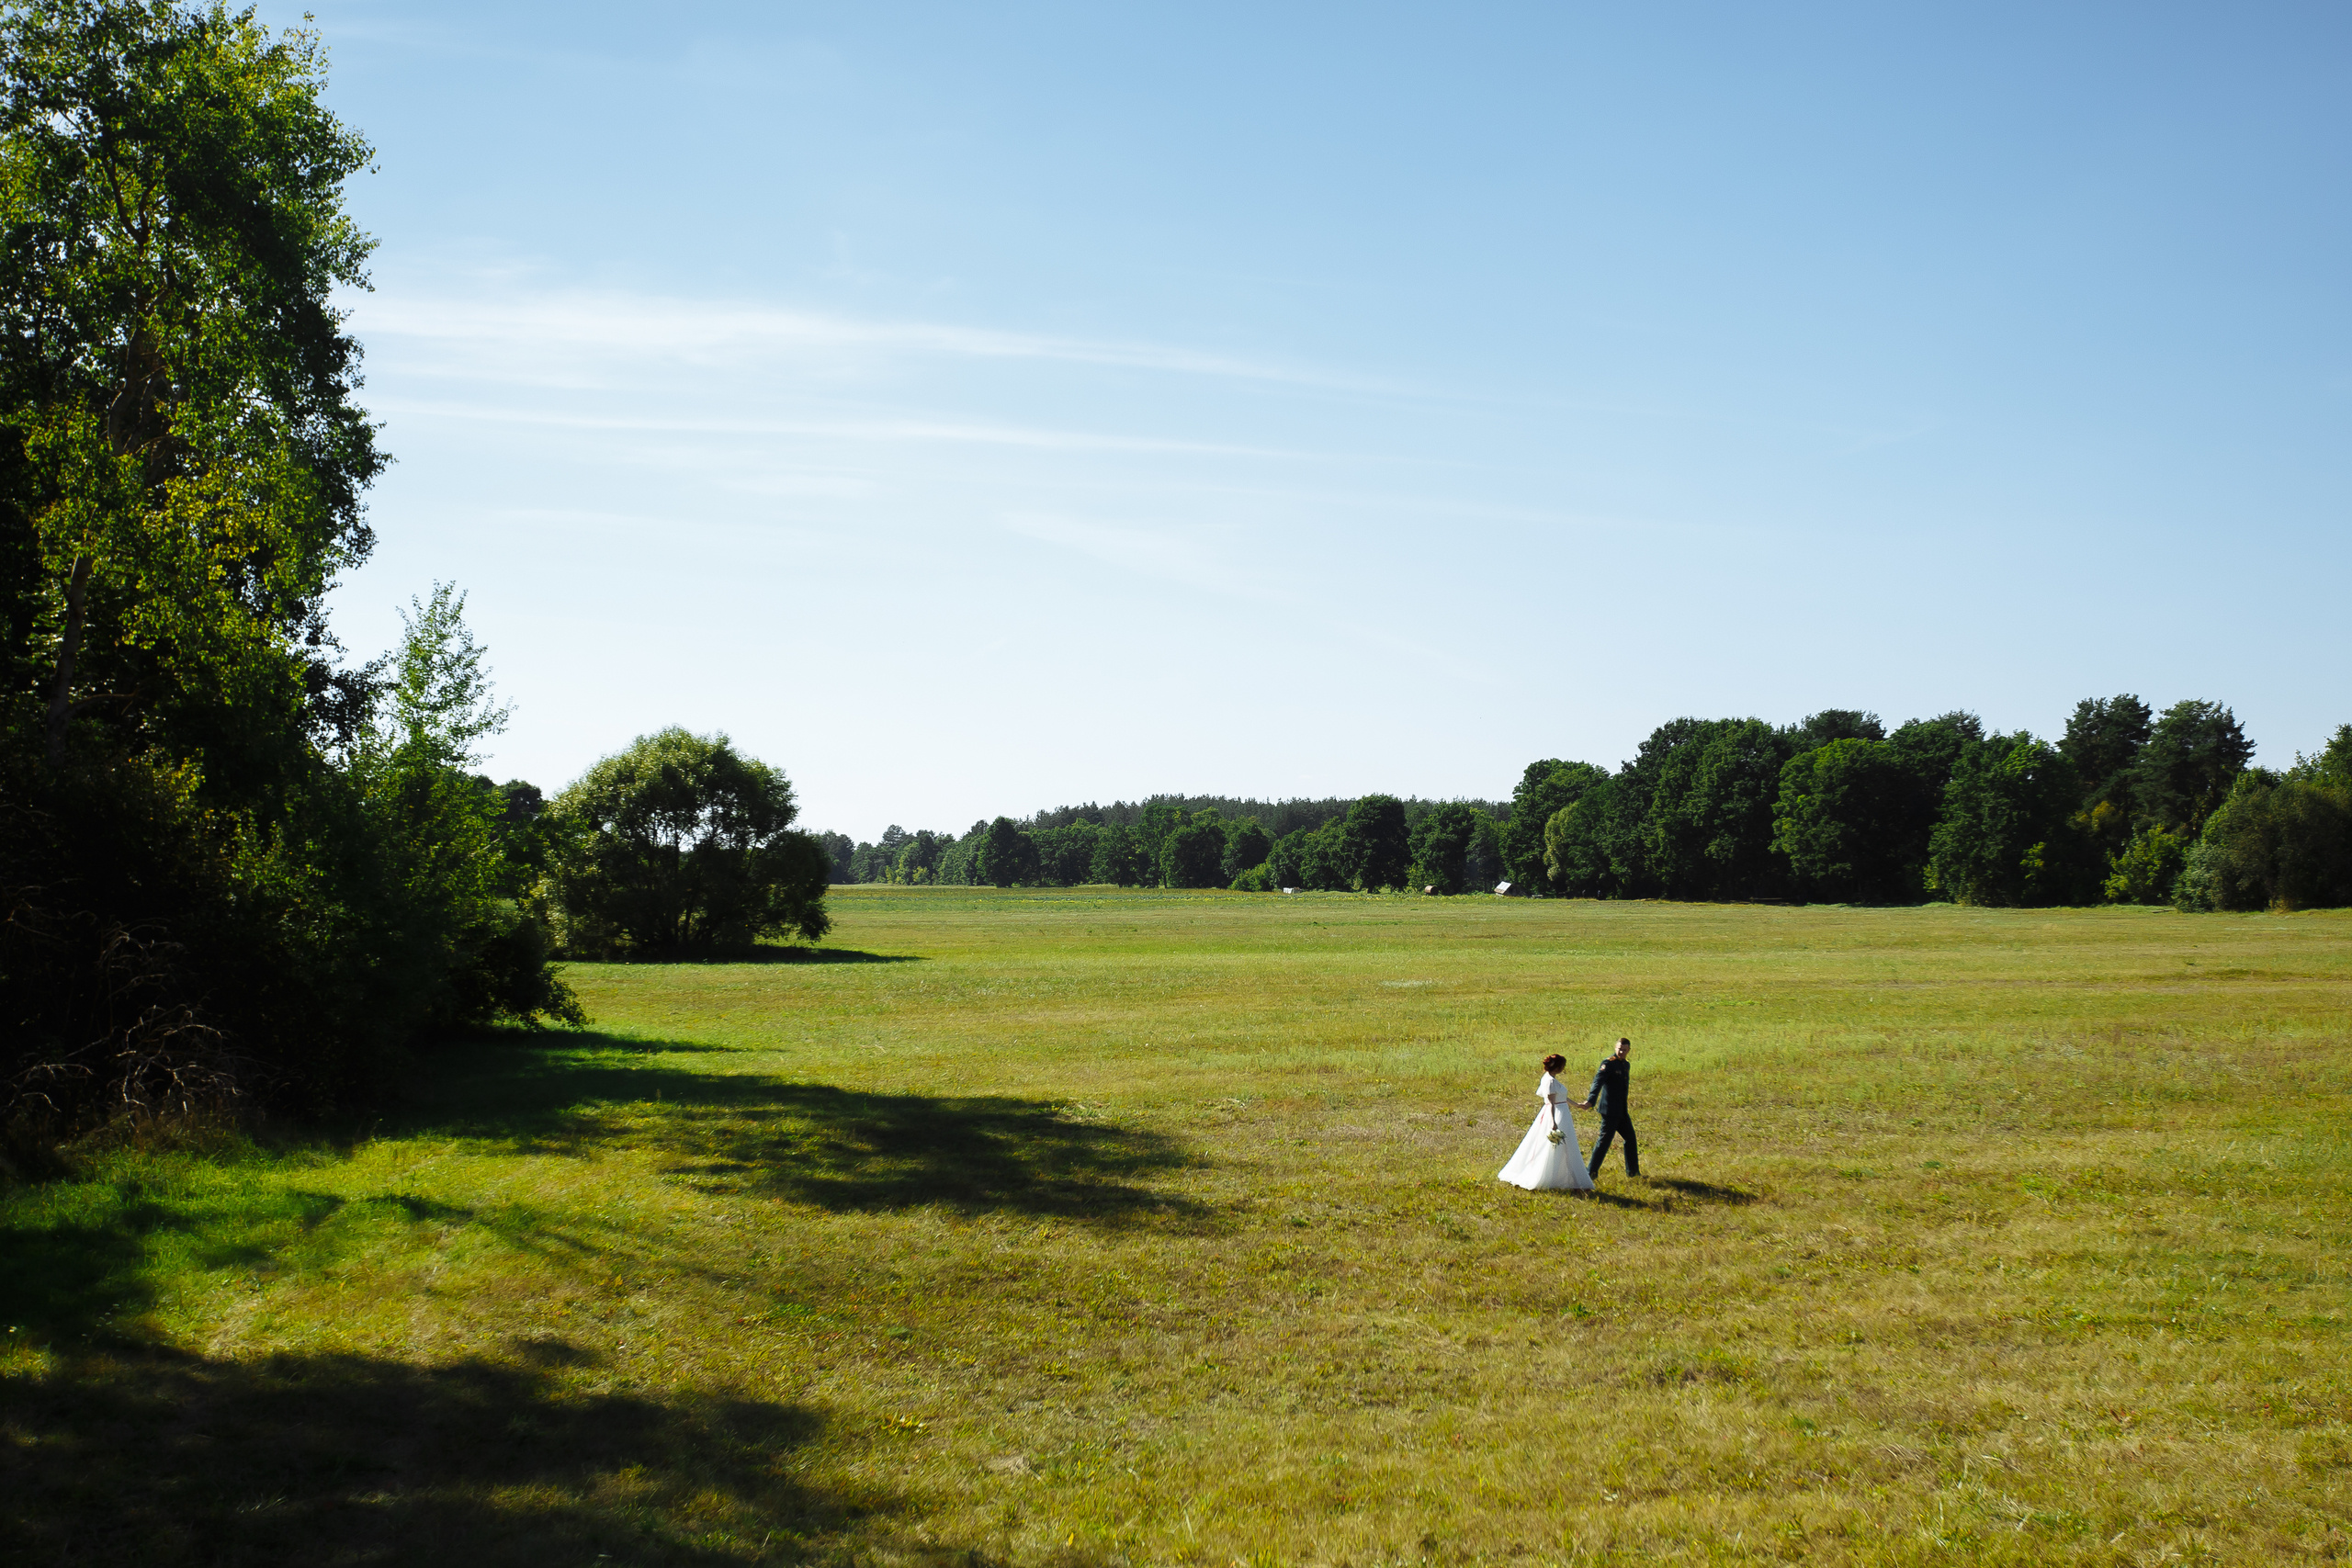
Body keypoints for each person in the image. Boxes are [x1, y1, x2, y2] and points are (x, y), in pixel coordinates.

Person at [1498, 1052, 1594, 1192]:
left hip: (1562, 1112)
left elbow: (1561, 1097)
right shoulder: (1550, 1081)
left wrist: (1577, 1105)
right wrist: (1554, 1121)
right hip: (1557, 1114)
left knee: (1564, 1145)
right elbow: (1551, 1103)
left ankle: (1571, 1178)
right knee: (1558, 1145)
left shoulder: (1551, 1079)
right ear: (1558, 1066)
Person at [1579, 1036, 1637, 1179]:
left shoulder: (1625, 1065)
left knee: (1630, 1138)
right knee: (1604, 1141)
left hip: (1622, 1111)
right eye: (1619, 1049)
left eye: (1624, 1050)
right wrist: (1591, 1101)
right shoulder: (1608, 1064)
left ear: (1629, 1050)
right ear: (1615, 1047)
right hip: (1610, 1111)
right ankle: (1590, 1173)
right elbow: (1597, 1082)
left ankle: (1633, 1173)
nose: (1621, 1052)